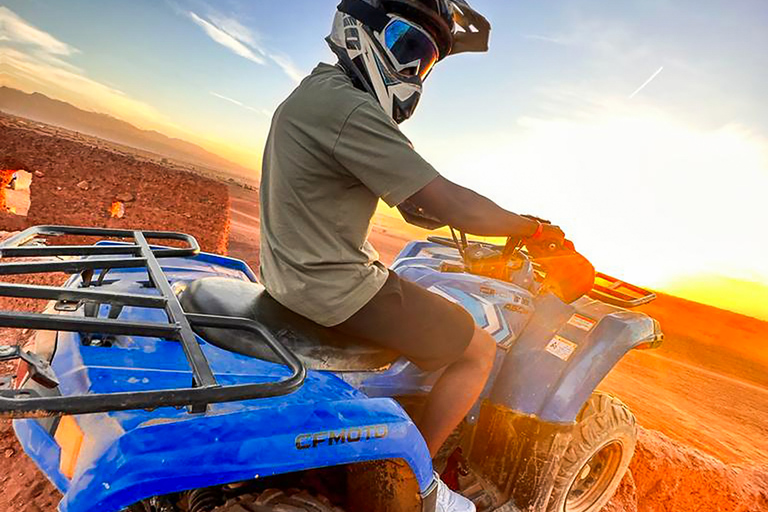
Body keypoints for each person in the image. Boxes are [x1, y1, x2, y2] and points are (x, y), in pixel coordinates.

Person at [259, 1, 565, 510]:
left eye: (423, 61)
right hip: (334, 288)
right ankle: (417, 481)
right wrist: (532, 228)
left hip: (291, 276)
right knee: (476, 350)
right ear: (361, 31)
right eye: (407, 46)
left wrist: (436, 204)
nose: (412, 69)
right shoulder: (350, 108)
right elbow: (441, 199)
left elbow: (414, 203)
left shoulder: (319, 93)